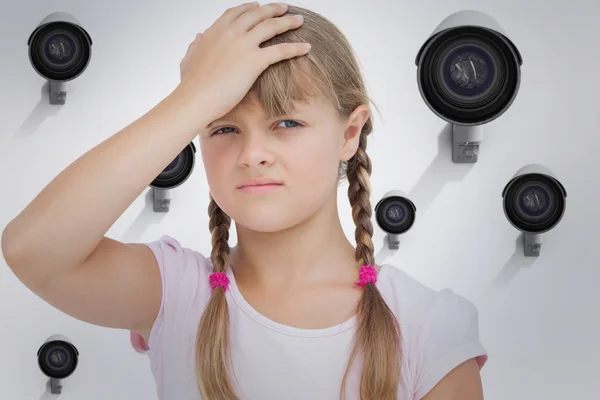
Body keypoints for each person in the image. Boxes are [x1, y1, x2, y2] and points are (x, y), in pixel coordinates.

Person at [2, 2, 488, 399]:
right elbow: (33, 250)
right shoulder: (177, 293)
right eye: (225, 128)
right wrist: (194, 97)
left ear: (350, 133)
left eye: (287, 123)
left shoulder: (429, 325)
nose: (252, 154)